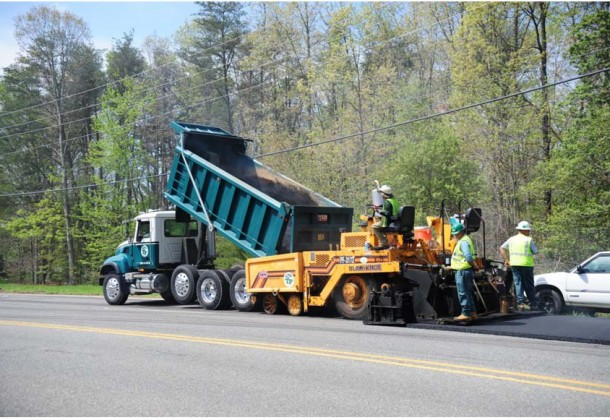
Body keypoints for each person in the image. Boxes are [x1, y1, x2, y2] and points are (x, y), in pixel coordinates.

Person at [500, 221, 539, 310]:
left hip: (514, 264)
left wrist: (506, 260)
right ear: (524, 230)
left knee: (518, 283)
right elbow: (535, 251)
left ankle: (520, 304)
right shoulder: (529, 240)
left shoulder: (511, 239)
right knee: (529, 284)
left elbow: (501, 248)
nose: (529, 232)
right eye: (528, 230)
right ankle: (533, 303)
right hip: (527, 265)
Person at [450, 222, 479, 321]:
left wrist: (474, 266)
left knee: (463, 292)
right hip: (464, 270)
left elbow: (468, 256)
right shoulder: (465, 240)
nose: (454, 235)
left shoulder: (463, 242)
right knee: (468, 292)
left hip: (462, 271)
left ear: (461, 232)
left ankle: (466, 313)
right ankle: (473, 313)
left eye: (456, 233)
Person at [371, 184, 398, 250]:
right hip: (395, 221)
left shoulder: (387, 202)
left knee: (374, 226)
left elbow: (387, 213)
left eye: (382, 193)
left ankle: (383, 243)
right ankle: (386, 242)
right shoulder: (394, 200)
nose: (381, 195)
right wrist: (380, 207)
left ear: (385, 194)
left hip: (388, 222)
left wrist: (378, 211)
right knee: (378, 225)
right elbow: (390, 208)